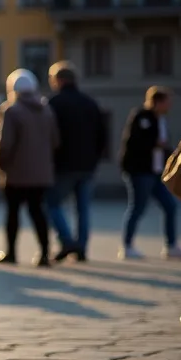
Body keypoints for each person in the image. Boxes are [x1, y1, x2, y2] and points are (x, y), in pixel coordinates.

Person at [0, 69, 60, 266]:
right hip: (42, 174)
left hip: (16, 174)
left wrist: (0, 165)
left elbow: (5, 144)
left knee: (13, 213)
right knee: (38, 212)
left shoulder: (11, 110)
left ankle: (11, 252)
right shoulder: (46, 110)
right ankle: (45, 253)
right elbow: (55, 141)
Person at [120, 87, 181, 261]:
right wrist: (154, 143)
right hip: (140, 171)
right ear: (157, 102)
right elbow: (134, 142)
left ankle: (171, 246)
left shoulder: (161, 120)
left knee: (170, 206)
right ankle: (127, 246)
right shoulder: (141, 116)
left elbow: (164, 146)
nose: (170, 105)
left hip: (156, 172)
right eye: (167, 101)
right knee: (137, 207)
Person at [45, 61, 106, 263]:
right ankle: (81, 248)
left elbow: (48, 137)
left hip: (63, 165)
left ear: (59, 80)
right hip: (87, 165)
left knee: (52, 204)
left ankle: (66, 240)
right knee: (83, 209)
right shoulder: (90, 103)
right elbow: (102, 136)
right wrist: (95, 158)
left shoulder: (54, 104)